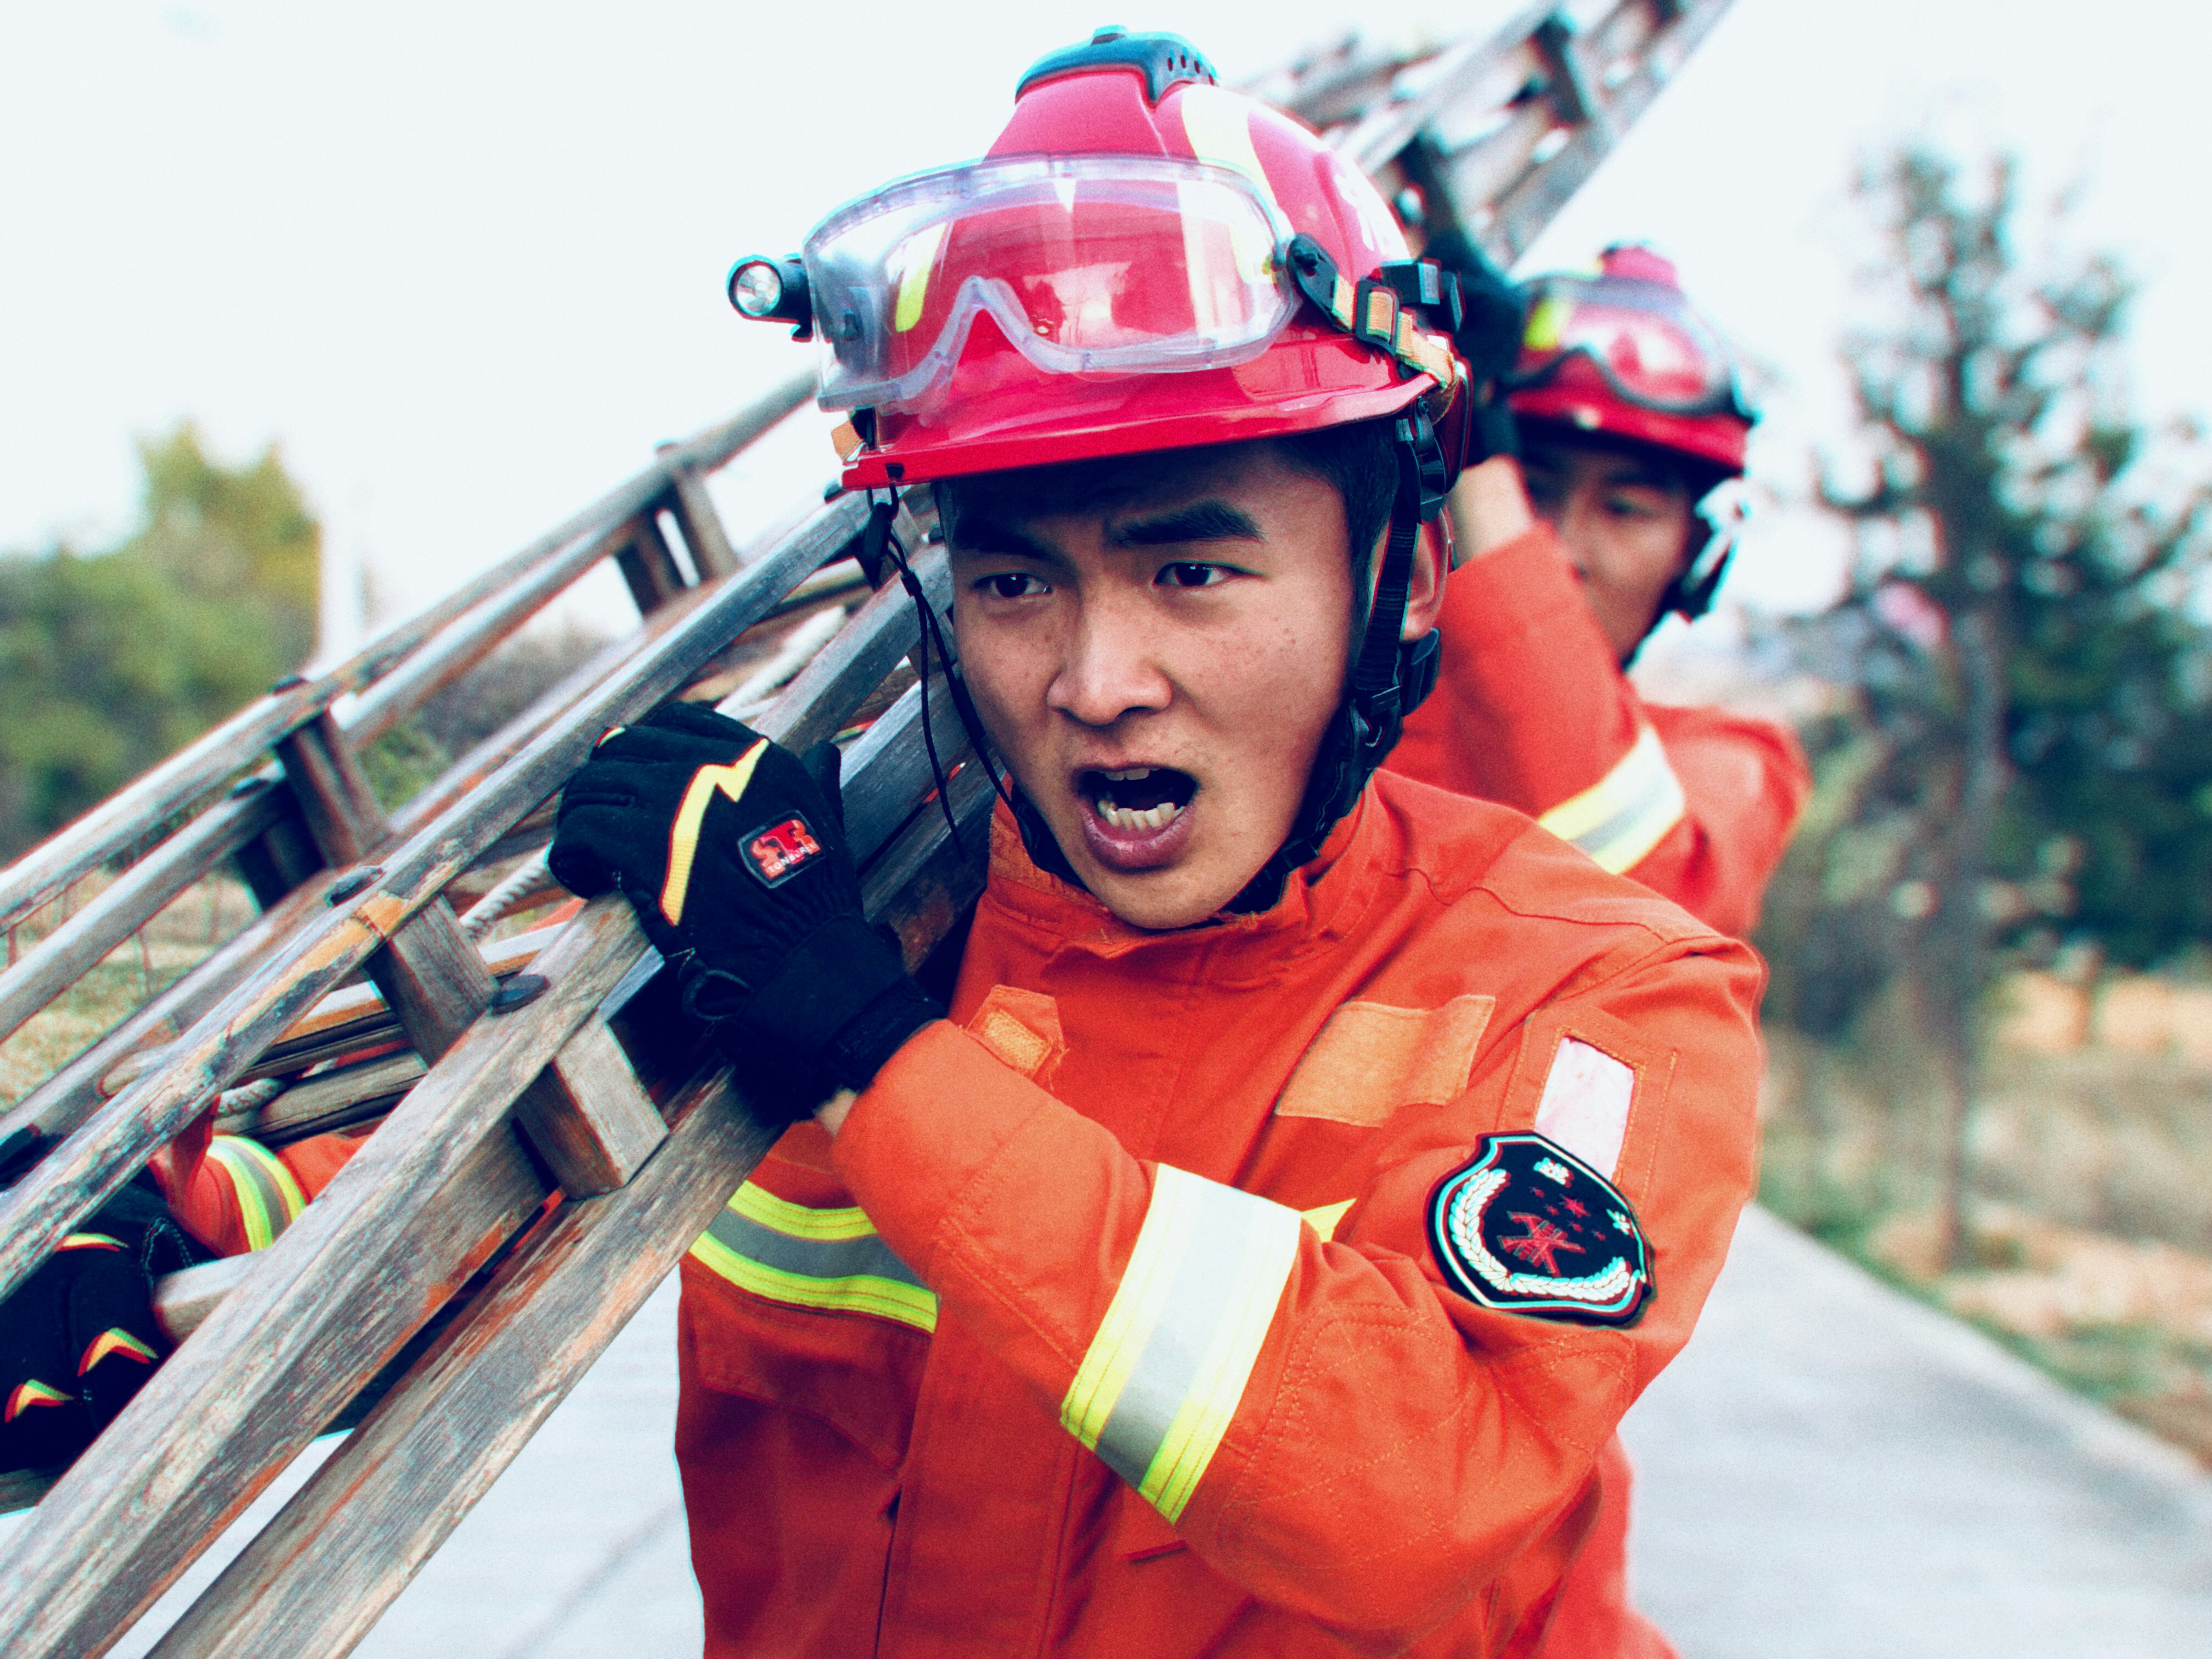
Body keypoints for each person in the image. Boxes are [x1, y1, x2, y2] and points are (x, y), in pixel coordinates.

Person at [550, 31, 1762, 1657]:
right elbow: (454, 1212)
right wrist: (195, 1220)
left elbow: (1413, 1489)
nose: (1096, 683)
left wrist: (872, 1060)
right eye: (1012, 581)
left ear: (1402, 579)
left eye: (1192, 572)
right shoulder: (840, 924)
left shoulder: (1606, 998)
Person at [1392, 243, 1811, 941]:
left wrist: (1484, 459)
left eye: (1625, 509)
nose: (1553, 548)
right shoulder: (1346, 709)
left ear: (1695, 559)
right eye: (1536, 491)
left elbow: (1644, 908)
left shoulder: (1733, 762)